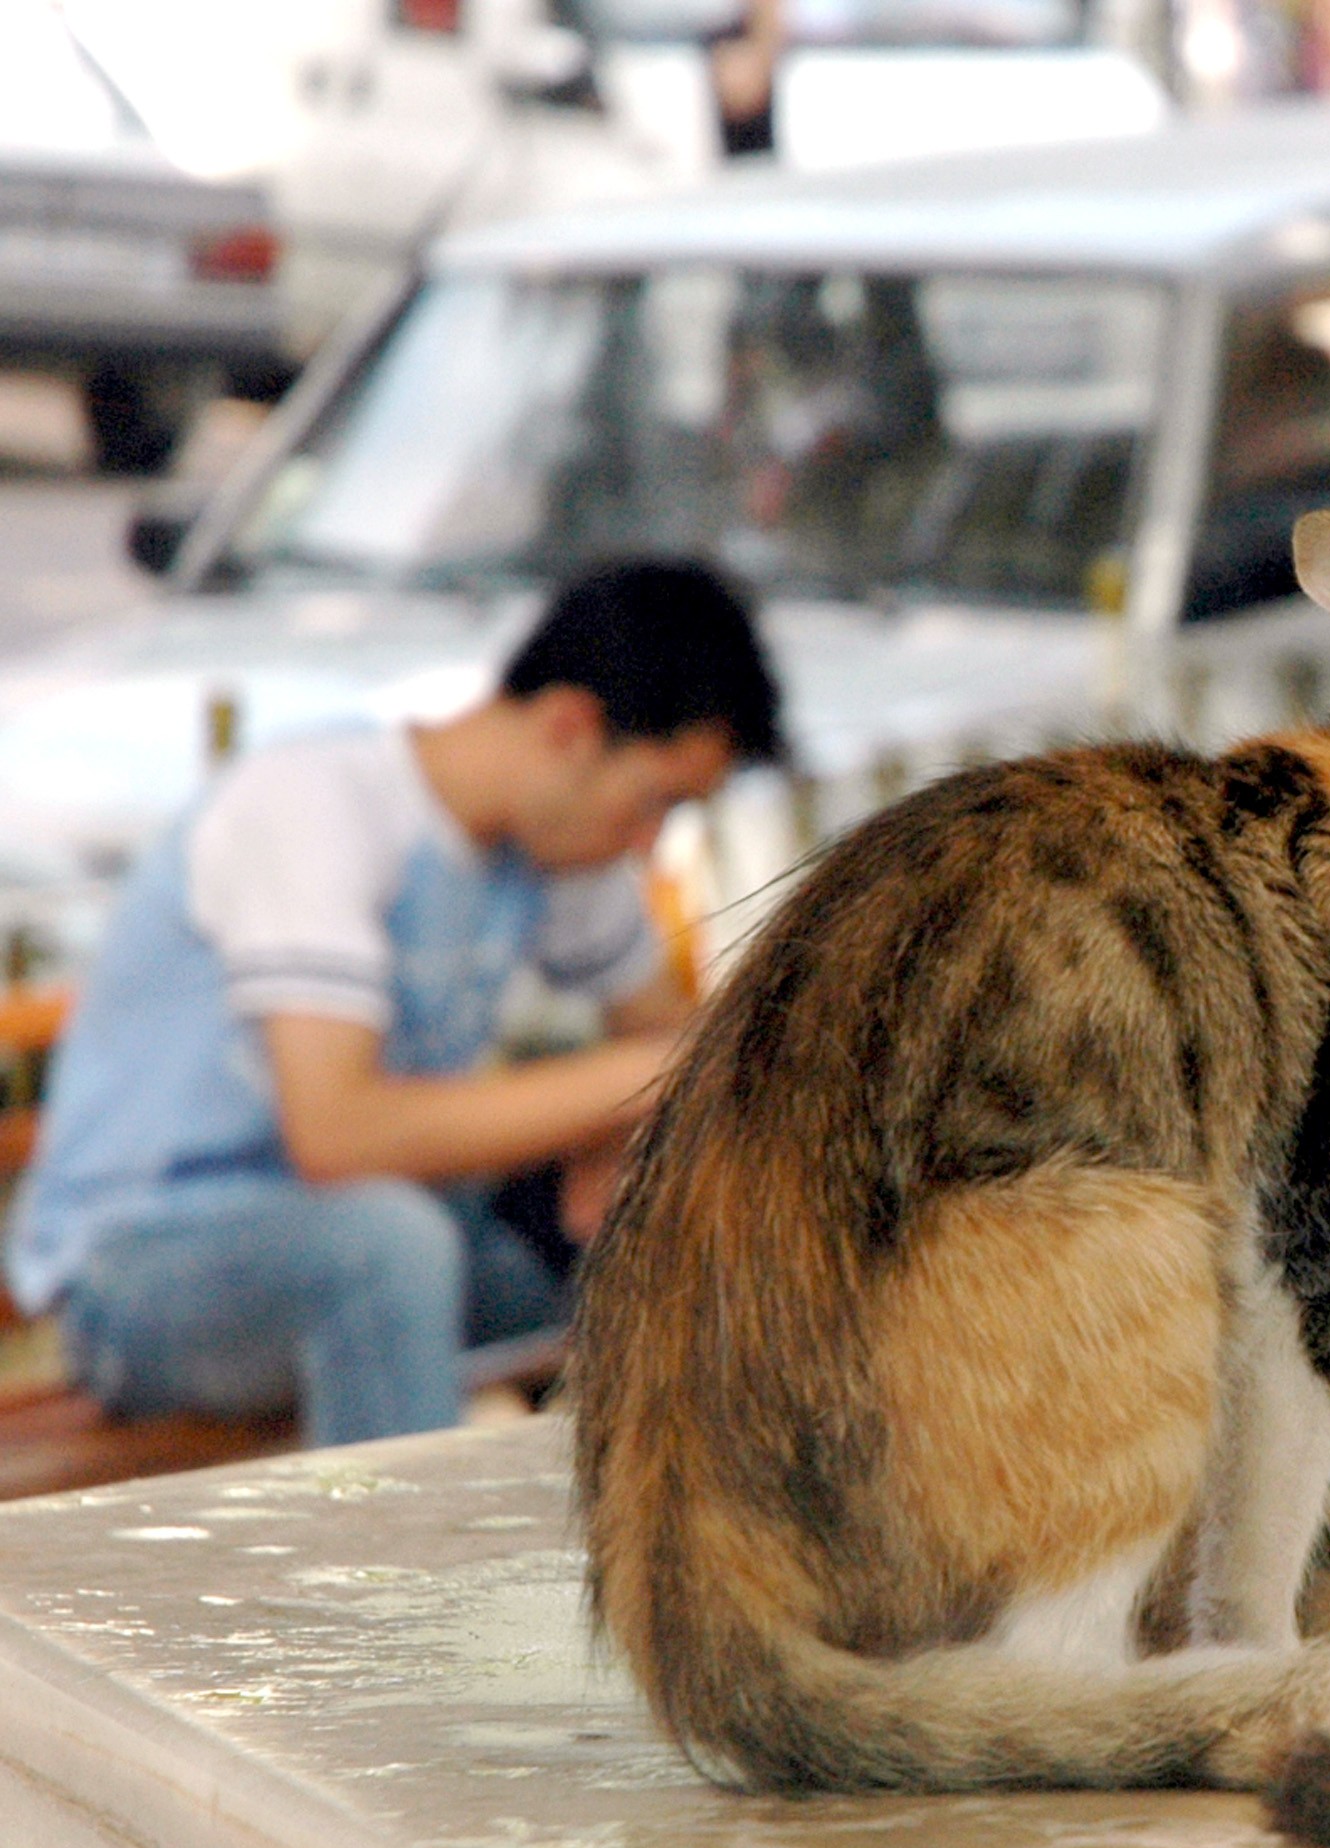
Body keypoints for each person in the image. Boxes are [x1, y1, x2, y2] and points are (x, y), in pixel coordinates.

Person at [4, 561, 782, 1446]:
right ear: (569, 727)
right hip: (144, 1273)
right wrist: (645, 1082)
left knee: (663, 1247)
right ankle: (391, 1576)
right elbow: (339, 1136)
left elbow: (688, 1055)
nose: (650, 846)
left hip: (389, 1242)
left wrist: (629, 1133)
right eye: (657, 802)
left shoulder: (561, 845)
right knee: (386, 1249)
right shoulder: (315, 805)